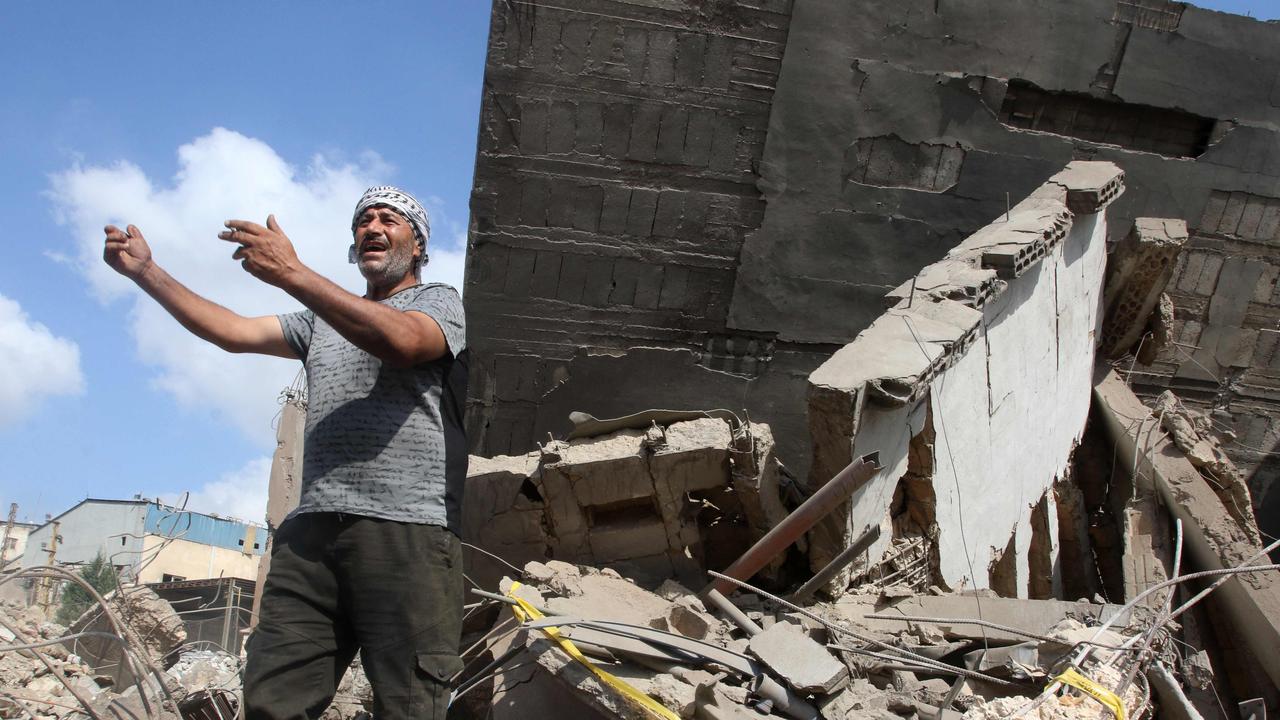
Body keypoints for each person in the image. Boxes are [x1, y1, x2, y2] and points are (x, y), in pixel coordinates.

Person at [102, 186, 467, 720]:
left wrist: (293, 273)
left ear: (417, 245)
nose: (373, 226)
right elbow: (232, 331)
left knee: (413, 705)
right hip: (312, 539)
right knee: (272, 700)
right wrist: (146, 272)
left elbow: (405, 343)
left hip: (406, 532)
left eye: (390, 219)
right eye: (363, 220)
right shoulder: (319, 322)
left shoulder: (438, 302)